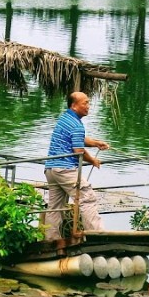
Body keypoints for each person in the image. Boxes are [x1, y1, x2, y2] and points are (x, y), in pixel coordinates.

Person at [44, 91, 110, 240]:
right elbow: (78, 151)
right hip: (65, 169)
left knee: (55, 207)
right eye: (85, 103)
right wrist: (93, 160)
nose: (88, 106)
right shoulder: (76, 125)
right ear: (74, 106)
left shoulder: (65, 118)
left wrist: (95, 143)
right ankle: (98, 236)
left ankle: (50, 240)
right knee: (87, 197)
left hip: (51, 169)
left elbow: (77, 138)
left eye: (88, 103)